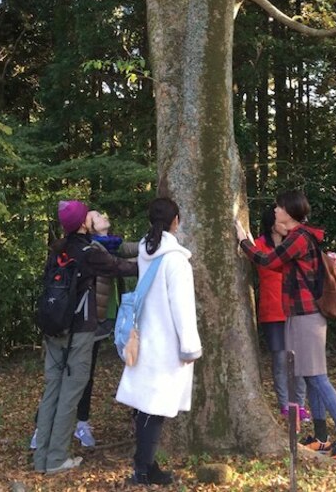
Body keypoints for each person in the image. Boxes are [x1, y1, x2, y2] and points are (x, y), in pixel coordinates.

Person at [236, 190, 336, 462]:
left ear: (289, 212)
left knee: (317, 377)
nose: (275, 210)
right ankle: (321, 437)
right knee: (306, 374)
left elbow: (268, 261)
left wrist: (243, 242)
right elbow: (279, 267)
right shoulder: (298, 237)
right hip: (297, 314)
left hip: (308, 316)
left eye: (279, 207)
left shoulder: (299, 238)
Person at [33, 200, 138, 475]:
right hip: (79, 332)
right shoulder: (88, 252)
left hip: (54, 330)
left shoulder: (58, 251)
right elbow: (121, 267)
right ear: (83, 224)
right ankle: (57, 459)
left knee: (52, 391)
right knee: (70, 393)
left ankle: (42, 456)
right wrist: (160, 259)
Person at [115, 197, 202, 486]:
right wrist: (189, 346)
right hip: (166, 343)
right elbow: (182, 307)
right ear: (176, 221)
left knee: (147, 406)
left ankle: (146, 466)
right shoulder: (175, 260)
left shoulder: (146, 252)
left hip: (144, 338)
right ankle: (143, 469)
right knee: (155, 408)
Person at [255, 206, 309, 422]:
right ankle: (285, 405)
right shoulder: (260, 245)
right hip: (272, 311)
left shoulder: (293, 244)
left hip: (294, 310)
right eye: (281, 220)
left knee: (297, 359)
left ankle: (300, 405)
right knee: (279, 360)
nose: (286, 224)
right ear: (272, 225)